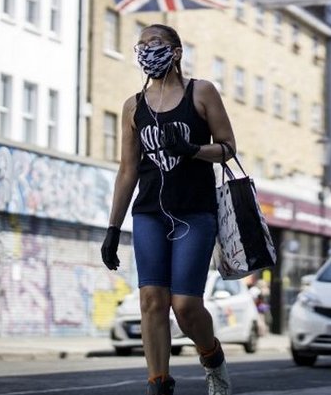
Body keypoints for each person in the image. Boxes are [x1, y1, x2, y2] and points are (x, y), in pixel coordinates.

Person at [101, 24, 237, 395]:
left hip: (195, 211)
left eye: (155, 43)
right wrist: (113, 228)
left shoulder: (201, 92)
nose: (147, 50)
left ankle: (212, 358)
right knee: (151, 300)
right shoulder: (134, 105)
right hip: (149, 214)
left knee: (186, 304)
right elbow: (128, 170)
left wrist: (193, 149)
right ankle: (158, 383)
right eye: (141, 45)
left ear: (176, 52)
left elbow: (228, 147)